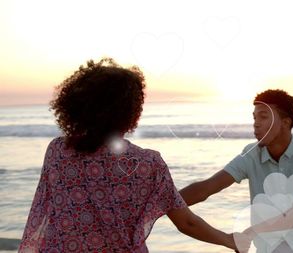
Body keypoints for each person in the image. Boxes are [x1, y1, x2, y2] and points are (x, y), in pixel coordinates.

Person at [18, 58, 247, 253]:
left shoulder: (57, 152)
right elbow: (187, 222)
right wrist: (230, 240)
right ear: (132, 111)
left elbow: (44, 215)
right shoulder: (148, 164)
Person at [180, 89, 293, 252]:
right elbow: (208, 187)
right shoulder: (250, 155)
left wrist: (255, 229)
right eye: (254, 118)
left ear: (285, 122)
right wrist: (161, 200)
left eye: (264, 117)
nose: (256, 123)